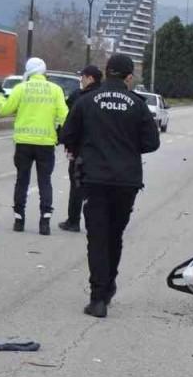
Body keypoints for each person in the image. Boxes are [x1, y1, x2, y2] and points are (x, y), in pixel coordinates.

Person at [59, 54, 161, 318]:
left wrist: (85, 145)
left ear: (105, 72)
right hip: (126, 180)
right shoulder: (138, 105)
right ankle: (109, 285)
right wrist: (127, 146)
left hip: (94, 178)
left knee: (97, 237)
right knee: (115, 235)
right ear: (129, 77)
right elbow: (152, 143)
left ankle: (98, 298)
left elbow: (66, 135)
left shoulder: (86, 101)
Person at [0, 57, 69, 235]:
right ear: (44, 71)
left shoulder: (21, 88)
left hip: (23, 143)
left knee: (22, 180)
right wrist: (59, 131)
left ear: (28, 71)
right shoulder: (56, 90)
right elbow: (65, 116)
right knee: (45, 181)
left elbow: (4, 109)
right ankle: (45, 221)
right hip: (46, 144)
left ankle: (19, 220)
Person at [58, 65, 103, 233]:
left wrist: (66, 143)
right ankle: (97, 223)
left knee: (77, 185)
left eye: (82, 78)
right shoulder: (105, 97)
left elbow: (69, 122)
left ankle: (73, 220)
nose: (81, 81)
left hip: (80, 150)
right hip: (101, 150)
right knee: (98, 188)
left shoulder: (80, 97)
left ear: (90, 78)